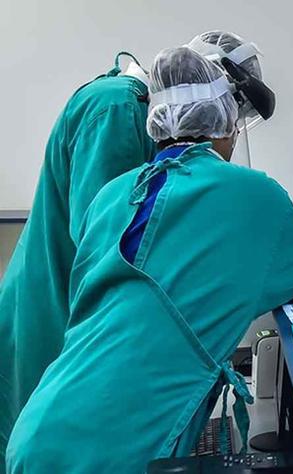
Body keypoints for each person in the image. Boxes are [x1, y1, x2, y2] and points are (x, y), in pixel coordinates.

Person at [6, 46, 293, 473]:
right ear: (227, 124)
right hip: (113, 448)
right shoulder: (251, 193)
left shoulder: (111, 195)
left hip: (40, 426)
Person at [0, 51, 156, 465]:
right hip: (55, 308)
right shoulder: (118, 109)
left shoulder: (120, 102)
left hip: (55, 295)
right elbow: (106, 239)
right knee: (44, 449)